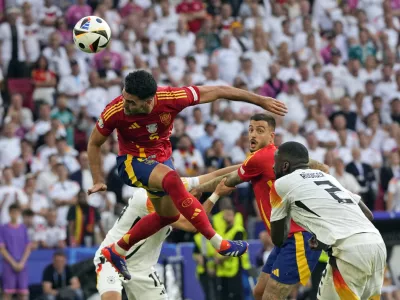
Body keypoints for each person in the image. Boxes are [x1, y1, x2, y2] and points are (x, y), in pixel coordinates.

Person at [87, 70, 287, 279]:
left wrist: (259, 100)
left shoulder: (171, 98)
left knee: (168, 216)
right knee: (173, 180)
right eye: (124, 96)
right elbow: (94, 142)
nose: (124, 104)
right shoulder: (114, 110)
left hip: (160, 160)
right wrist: (98, 179)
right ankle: (218, 242)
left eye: (131, 102)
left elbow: (218, 90)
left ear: (148, 102)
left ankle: (117, 250)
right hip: (132, 161)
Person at [194, 113, 327, 300]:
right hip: (286, 240)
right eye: (250, 130)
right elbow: (322, 168)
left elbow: (228, 180)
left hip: (298, 237)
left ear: (271, 136)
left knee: (271, 296)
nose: (253, 135)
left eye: (260, 130)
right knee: (259, 293)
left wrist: (199, 189)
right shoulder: (277, 156)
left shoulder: (262, 158)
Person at [94, 166, 238, 300]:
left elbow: (215, 175)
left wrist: (250, 163)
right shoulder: (146, 197)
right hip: (111, 257)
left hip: (141, 268)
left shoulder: (174, 185)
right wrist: (216, 194)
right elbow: (190, 224)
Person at [270, 141, 386, 300]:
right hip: (376, 244)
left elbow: (278, 239)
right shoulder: (327, 177)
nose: (272, 168)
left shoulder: (281, 184)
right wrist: (325, 234)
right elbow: (368, 214)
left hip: (349, 251)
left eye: (275, 164)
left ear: (284, 166)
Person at [0, 204, 31, 300]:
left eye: (17, 212)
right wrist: (13, 263)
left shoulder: (23, 228)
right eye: (13, 212)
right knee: (8, 293)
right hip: (9, 265)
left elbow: (28, 247)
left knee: (23, 293)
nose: (15, 214)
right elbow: (2, 248)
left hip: (22, 265)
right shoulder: (3, 228)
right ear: (9, 213)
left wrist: (22, 262)